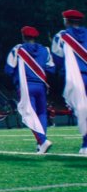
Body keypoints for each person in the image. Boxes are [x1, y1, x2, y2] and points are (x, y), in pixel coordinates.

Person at [5, 26, 55, 153]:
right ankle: (41, 142)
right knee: (42, 113)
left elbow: (9, 69)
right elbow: (51, 68)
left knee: (29, 113)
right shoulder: (45, 50)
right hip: (41, 85)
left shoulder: (18, 49)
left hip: (25, 86)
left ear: (23, 36)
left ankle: (42, 141)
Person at [50, 9, 87, 154]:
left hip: (76, 77)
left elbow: (57, 58)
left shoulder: (61, 36)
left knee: (82, 110)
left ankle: (86, 144)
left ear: (66, 21)